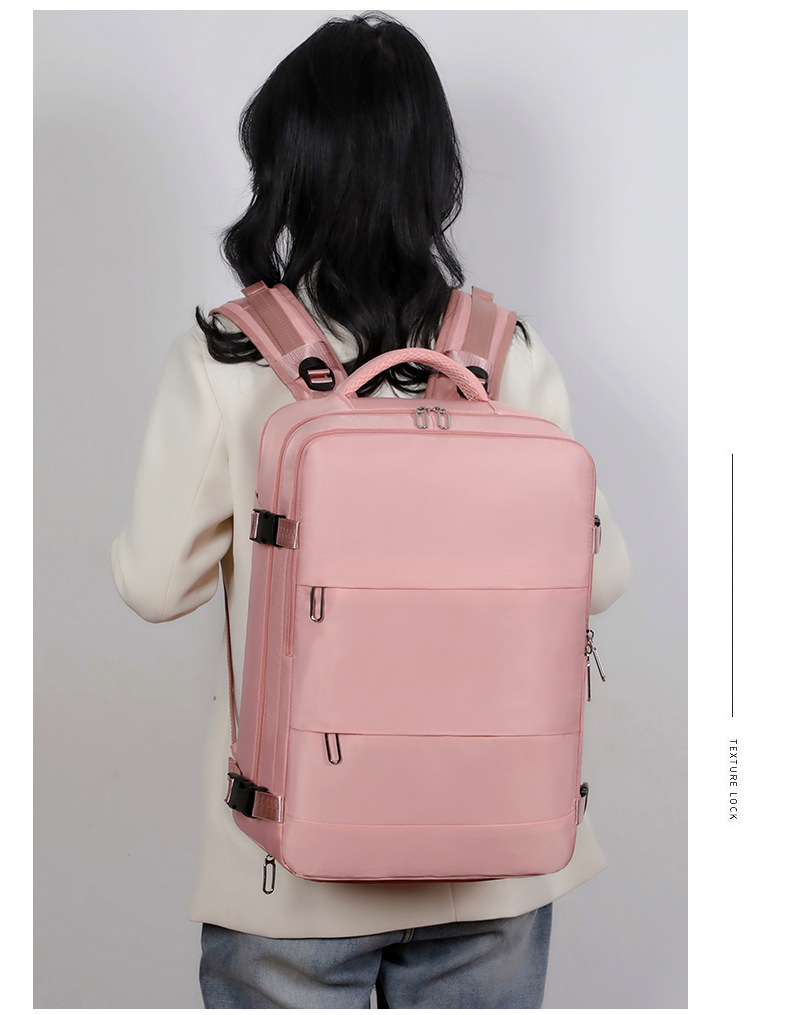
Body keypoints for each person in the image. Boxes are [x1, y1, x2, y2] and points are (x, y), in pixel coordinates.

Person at [111, 13, 629, 1010]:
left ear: (286, 167)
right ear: (435, 172)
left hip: (291, 870)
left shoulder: (227, 355)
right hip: (494, 854)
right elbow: (601, 576)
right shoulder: (504, 352)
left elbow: (153, 583)